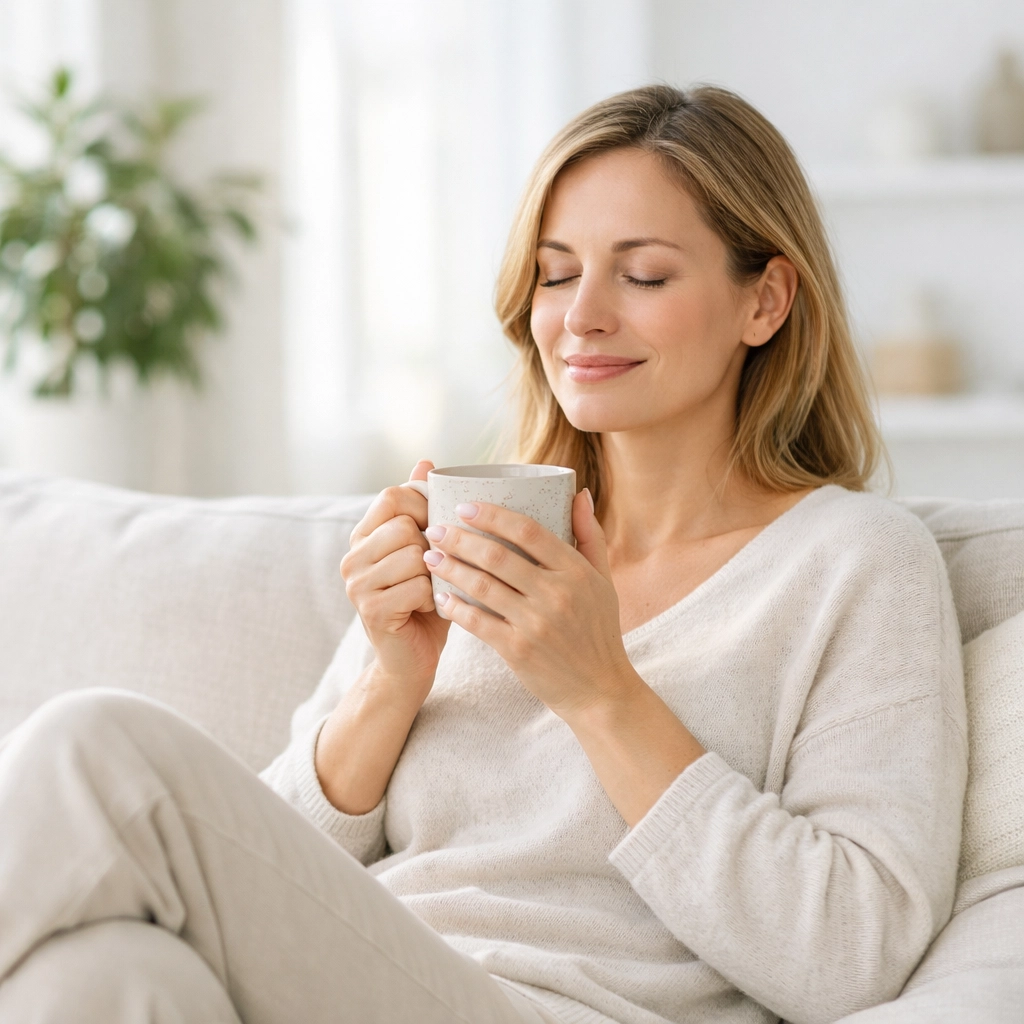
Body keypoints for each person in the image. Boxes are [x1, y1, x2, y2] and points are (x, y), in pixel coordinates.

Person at [0, 84, 967, 1024]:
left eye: (643, 275)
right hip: (370, 975)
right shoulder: (482, 529)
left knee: (97, 748)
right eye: (555, 274)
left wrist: (602, 691)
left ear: (766, 301)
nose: (581, 316)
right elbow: (265, 873)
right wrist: (391, 682)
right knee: (92, 980)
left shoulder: (855, 562)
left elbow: (852, 954)